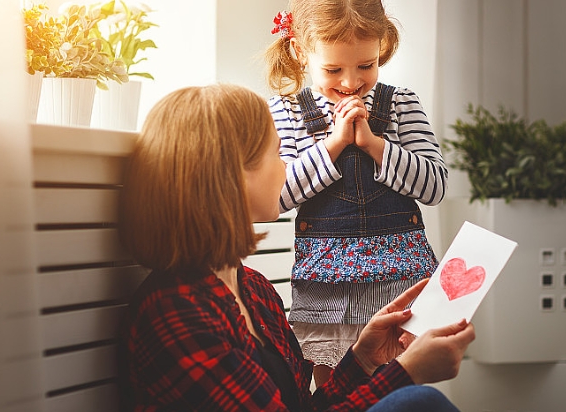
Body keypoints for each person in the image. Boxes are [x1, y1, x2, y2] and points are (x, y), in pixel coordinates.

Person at [117, 83, 474, 411]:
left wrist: (364, 358)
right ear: (232, 177)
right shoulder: (176, 312)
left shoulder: (254, 289)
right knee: (418, 402)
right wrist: (407, 373)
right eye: (277, 154)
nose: (286, 168)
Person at [264, 0, 448, 386]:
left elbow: (434, 186)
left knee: (402, 382)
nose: (351, 82)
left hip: (401, 280)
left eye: (366, 65)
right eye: (333, 69)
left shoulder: (401, 103)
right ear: (300, 52)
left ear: (381, 46)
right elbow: (275, 197)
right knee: (337, 386)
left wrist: (374, 145)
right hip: (328, 290)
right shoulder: (287, 112)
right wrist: (332, 145)